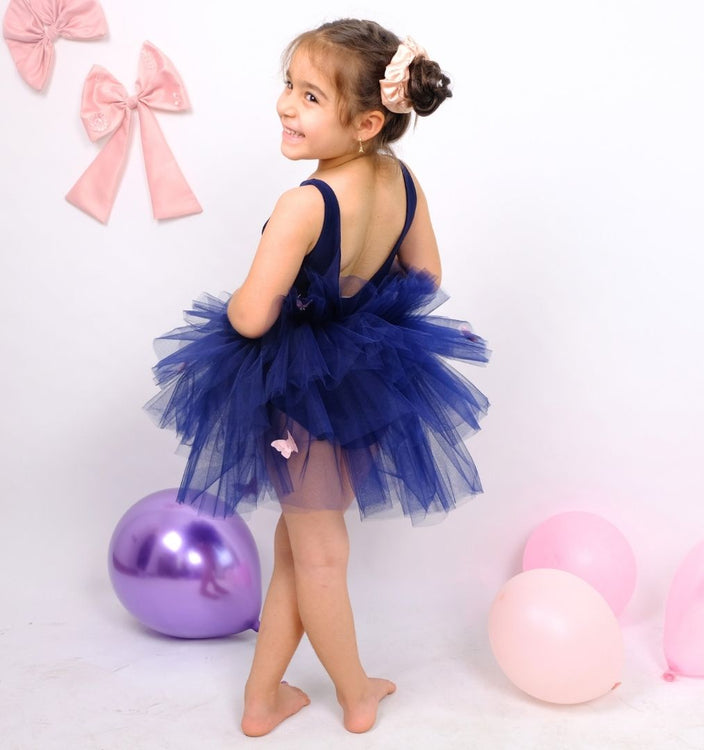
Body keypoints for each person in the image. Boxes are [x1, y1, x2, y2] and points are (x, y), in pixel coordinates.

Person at [147, 18, 490, 736]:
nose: (284, 106)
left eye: (308, 96)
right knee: (299, 552)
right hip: (363, 383)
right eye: (288, 87)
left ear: (367, 121)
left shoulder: (305, 204)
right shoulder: (402, 181)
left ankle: (354, 690)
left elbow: (247, 317)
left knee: (319, 557)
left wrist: (290, 287)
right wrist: (357, 296)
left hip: (298, 398)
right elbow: (425, 276)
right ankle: (262, 696)